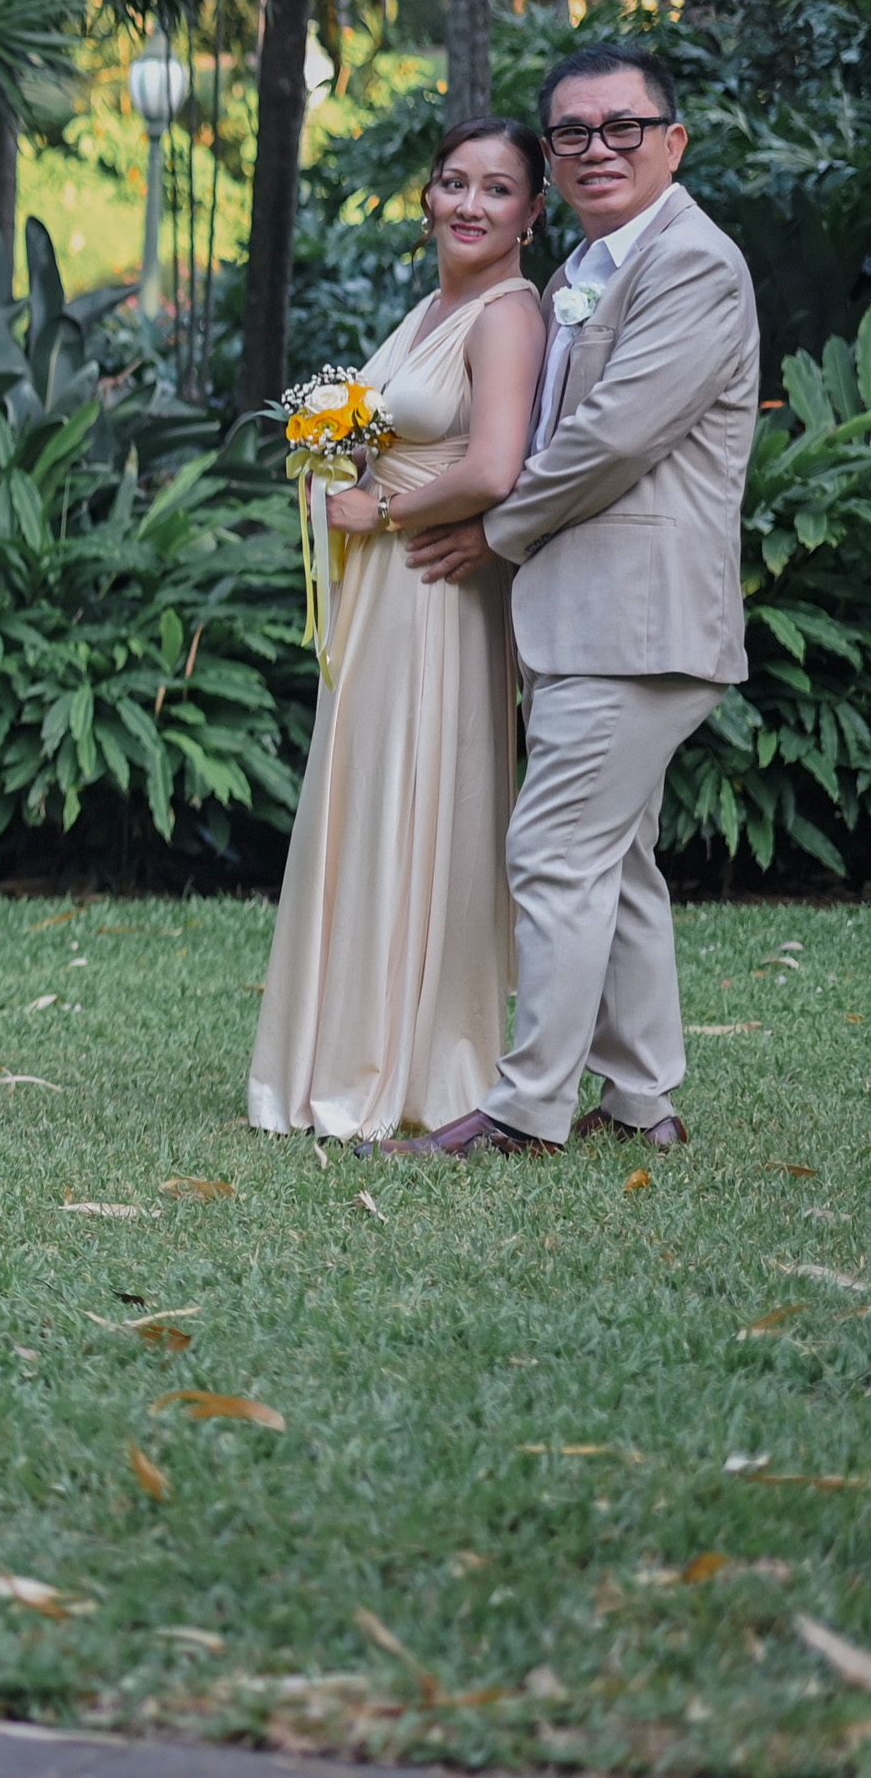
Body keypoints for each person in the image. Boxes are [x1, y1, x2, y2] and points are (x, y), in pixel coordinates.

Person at [389, 46, 760, 1158]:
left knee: (553, 853)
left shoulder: (693, 263)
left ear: (672, 142)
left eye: (623, 127)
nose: (598, 148)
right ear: (553, 157)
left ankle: (524, 1110)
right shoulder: (577, 275)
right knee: (616, 863)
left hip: (637, 617)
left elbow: (612, 440)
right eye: (573, 133)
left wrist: (490, 530)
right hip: (583, 615)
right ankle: (643, 1102)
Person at [246, 121, 550, 1138]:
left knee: (414, 795)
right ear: (426, 198)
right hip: (381, 586)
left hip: (431, 586)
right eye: (453, 182)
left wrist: (378, 509)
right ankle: (342, 1044)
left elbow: (495, 466)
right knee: (368, 791)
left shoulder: (507, 317)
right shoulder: (432, 306)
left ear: (531, 213)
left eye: (497, 189)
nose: (470, 204)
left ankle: (415, 1061)